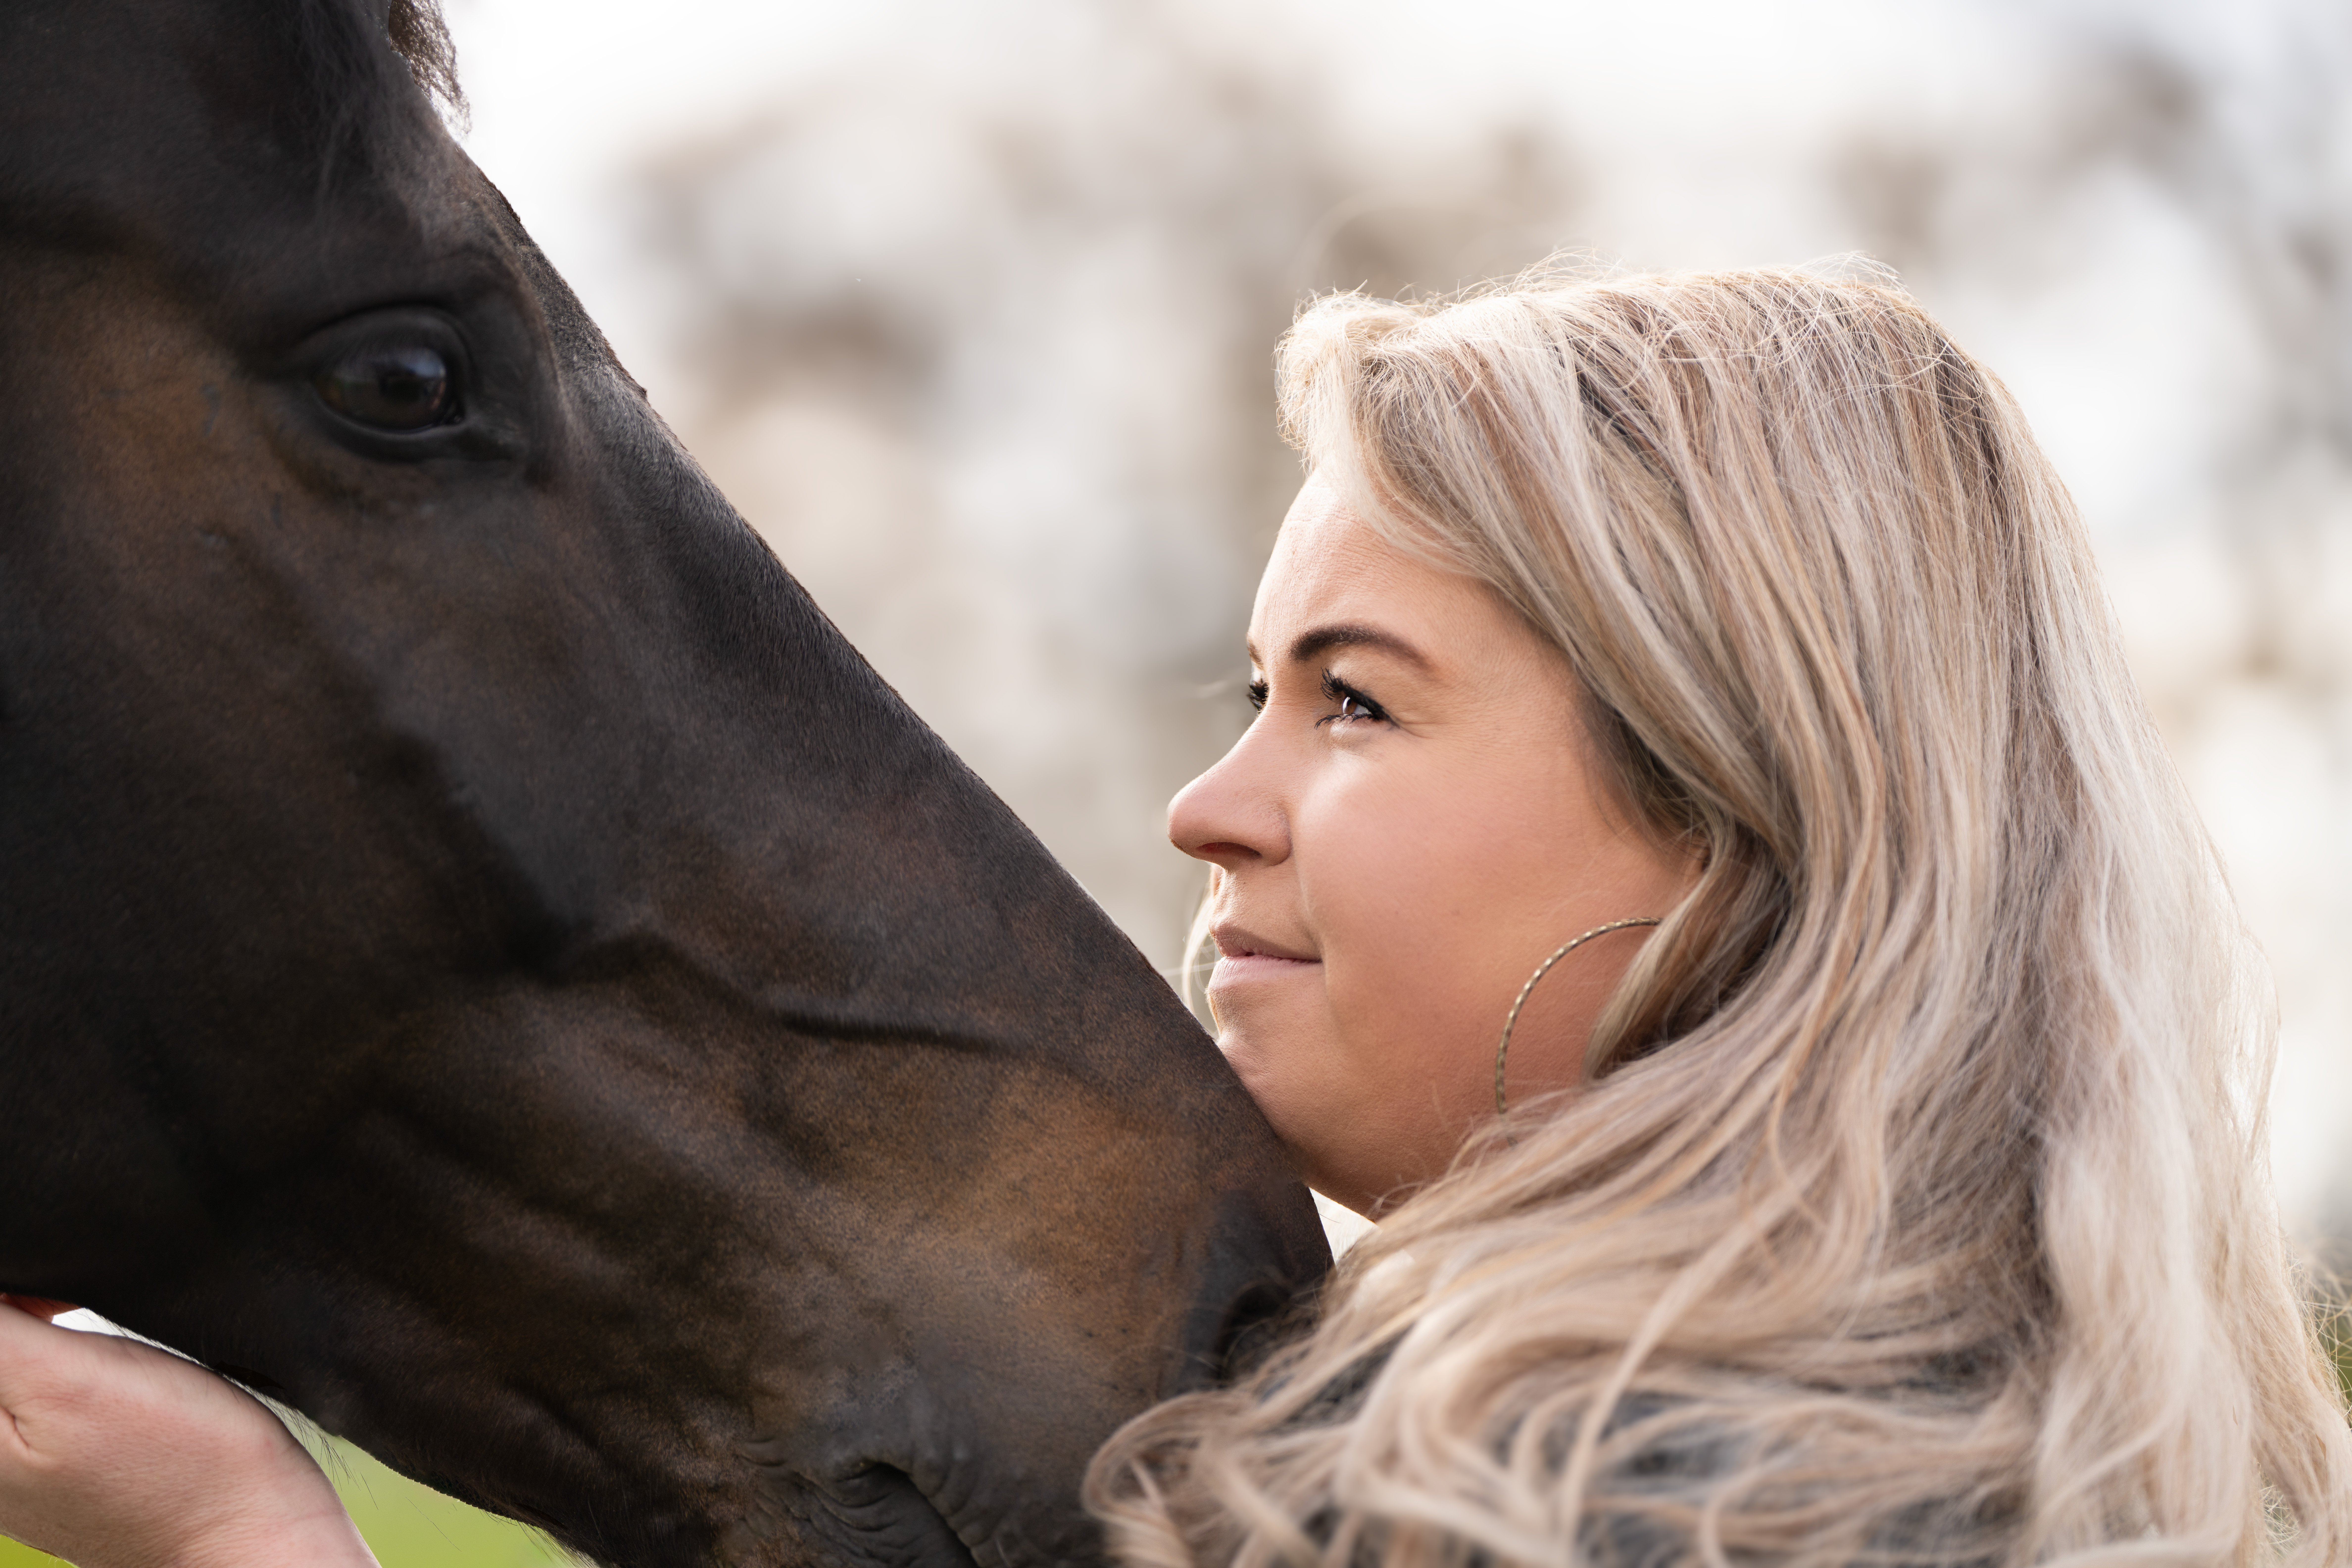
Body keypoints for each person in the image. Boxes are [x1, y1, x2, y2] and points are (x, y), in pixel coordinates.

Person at [6, 265, 2350, 1566]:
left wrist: (230, 1547)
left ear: (1732, 817)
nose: (1212, 805)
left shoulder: (1567, 1522)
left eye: (1358, 702)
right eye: (1256, 686)